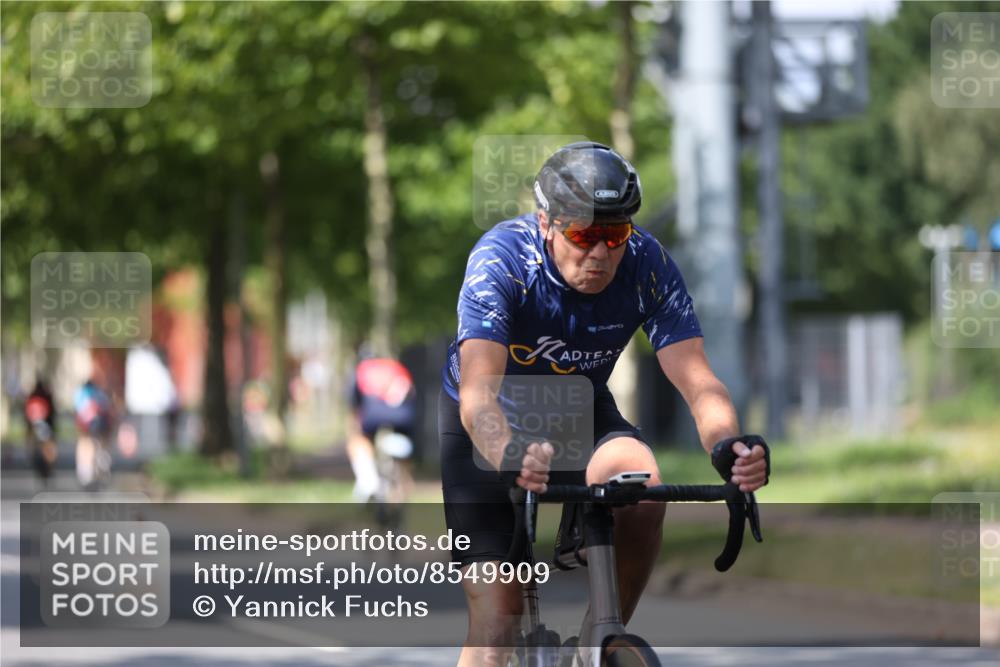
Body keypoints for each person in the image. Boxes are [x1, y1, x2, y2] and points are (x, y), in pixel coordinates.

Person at [440, 142, 772, 666]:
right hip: (488, 422)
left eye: (614, 235)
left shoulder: (647, 264)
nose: (600, 253)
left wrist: (729, 445)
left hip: (576, 403)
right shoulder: (501, 260)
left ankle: (599, 639)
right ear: (546, 223)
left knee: (642, 483)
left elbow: (698, 380)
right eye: (583, 235)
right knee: (496, 618)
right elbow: (479, 391)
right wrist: (508, 453)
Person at [346, 347, 418, 506]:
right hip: (404, 415)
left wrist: (354, 426)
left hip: (374, 415)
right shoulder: (396, 367)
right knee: (405, 454)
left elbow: (354, 406)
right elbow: (412, 393)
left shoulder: (361, 370)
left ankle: (368, 482)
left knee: (358, 440)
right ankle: (404, 483)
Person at [73, 377, 113, 490]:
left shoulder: (80, 393)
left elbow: (77, 410)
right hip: (100, 423)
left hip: (85, 424)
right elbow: (106, 409)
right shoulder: (99, 393)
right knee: (101, 443)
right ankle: (102, 462)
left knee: (85, 443)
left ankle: (85, 470)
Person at [24, 379, 58, 485]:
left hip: (35, 428)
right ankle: (46, 468)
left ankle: (41, 468)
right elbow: (52, 414)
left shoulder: (31, 397)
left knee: (37, 449)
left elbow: (27, 415)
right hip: (46, 428)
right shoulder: (47, 397)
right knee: (47, 449)